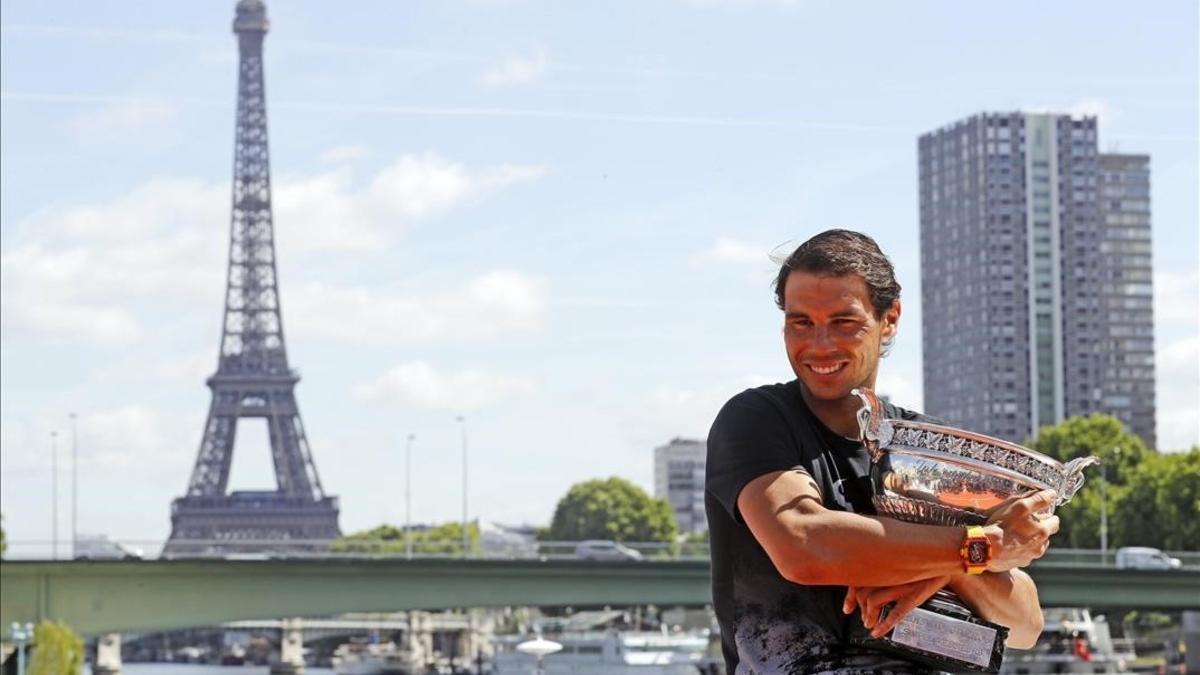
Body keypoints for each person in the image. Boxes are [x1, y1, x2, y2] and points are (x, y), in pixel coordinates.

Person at [705, 229, 1057, 674]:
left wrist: (951, 567)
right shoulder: (757, 419)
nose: (819, 345)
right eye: (801, 323)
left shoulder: (931, 446)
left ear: (889, 319)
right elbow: (803, 543)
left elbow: (1026, 625)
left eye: (843, 322)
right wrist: (979, 548)